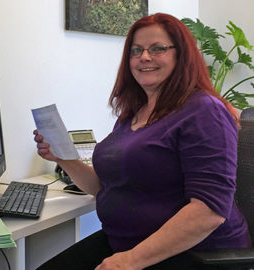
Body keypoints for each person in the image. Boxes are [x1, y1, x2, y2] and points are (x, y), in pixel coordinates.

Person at [33, 13, 251, 270]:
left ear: (181, 55)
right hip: (127, 243)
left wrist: (130, 261)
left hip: (194, 254)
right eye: (136, 51)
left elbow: (208, 212)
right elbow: (104, 186)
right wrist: (63, 158)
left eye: (158, 48)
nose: (144, 57)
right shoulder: (134, 114)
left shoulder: (204, 111)